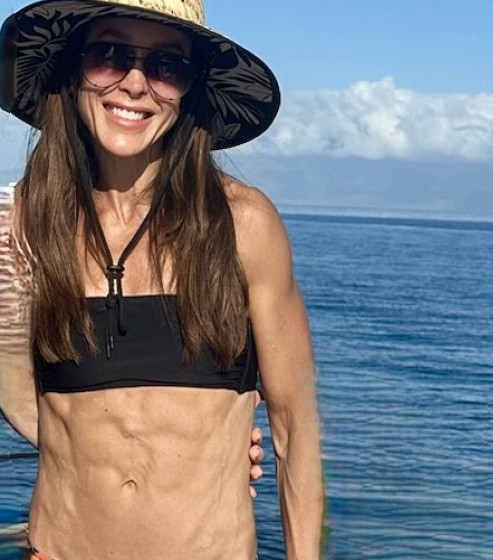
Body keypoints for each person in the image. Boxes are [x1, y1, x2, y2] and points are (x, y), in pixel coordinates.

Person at [0, 0, 324, 559]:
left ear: (190, 87)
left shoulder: (243, 224)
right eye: (109, 55)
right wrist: (107, 446)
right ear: (74, 68)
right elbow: (13, 383)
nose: (134, 84)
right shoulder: (21, 225)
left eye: (165, 65)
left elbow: (295, 426)